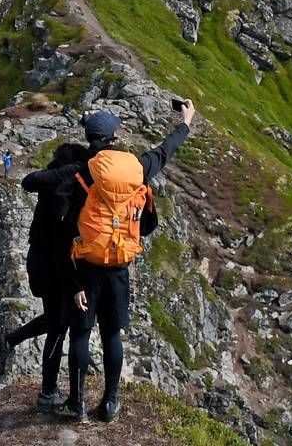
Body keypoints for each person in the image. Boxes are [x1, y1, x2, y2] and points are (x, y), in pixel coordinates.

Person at [54, 99, 195, 422]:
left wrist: (73, 282)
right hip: (118, 266)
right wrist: (185, 122)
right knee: (112, 335)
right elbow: (165, 150)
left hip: (86, 267)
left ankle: (75, 404)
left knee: (80, 334)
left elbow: (66, 230)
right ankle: (110, 402)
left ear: (92, 140)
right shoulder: (139, 167)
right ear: (114, 138)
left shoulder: (82, 172)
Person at [0, 141, 93, 409]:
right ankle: (47, 393)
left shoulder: (52, 183)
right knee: (58, 324)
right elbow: (30, 181)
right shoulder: (66, 184)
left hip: (41, 260)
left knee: (57, 320)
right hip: (53, 263)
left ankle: (9, 342)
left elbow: (31, 180)